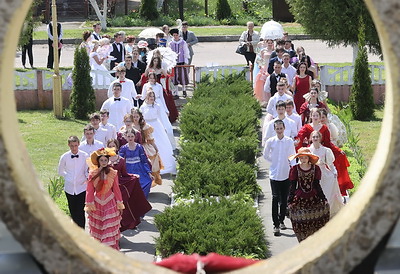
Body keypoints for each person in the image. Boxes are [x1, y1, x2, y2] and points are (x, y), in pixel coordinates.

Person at [295, 108, 354, 196]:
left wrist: (338, 150)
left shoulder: (324, 128)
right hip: (311, 151)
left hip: (322, 152)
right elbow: (300, 139)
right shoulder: (306, 127)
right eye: (313, 115)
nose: (315, 117)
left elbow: (328, 143)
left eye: (317, 116)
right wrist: (300, 151)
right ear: (311, 116)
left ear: (319, 117)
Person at [107, 139, 152, 231]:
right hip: (107, 187)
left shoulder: (121, 160)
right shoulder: (103, 159)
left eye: (113, 146)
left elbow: (125, 174)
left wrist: (133, 176)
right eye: (110, 146)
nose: (112, 148)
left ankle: (121, 225)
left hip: (118, 186)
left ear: (116, 147)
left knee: (122, 205)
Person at [85, 148, 124, 250]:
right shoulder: (92, 173)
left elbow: (116, 189)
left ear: (108, 161)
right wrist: (89, 205)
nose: (103, 162)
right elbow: (89, 190)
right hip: (97, 204)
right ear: (98, 161)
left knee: (108, 228)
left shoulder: (113, 173)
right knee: (98, 230)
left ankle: (109, 250)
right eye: (101, 160)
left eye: (105, 160)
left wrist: (119, 203)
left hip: (110, 204)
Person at [287, 147, 330, 242]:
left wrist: (323, 198)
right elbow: (293, 186)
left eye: (305, 158)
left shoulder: (316, 169)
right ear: (298, 158)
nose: (303, 160)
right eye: (301, 158)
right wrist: (289, 201)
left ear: (309, 158)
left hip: (313, 198)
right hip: (299, 199)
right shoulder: (295, 169)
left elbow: (316, 185)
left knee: (315, 221)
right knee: (300, 221)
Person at [263, 120, 296, 236]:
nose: (279, 130)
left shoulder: (289, 141)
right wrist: (274, 162)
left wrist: (294, 170)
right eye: (277, 129)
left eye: (281, 128)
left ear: (284, 128)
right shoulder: (271, 142)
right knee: (275, 198)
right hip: (274, 174)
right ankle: (275, 224)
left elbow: (293, 156)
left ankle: (281, 220)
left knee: (284, 200)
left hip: (285, 174)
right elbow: (265, 155)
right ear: (274, 129)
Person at [309, 131, 344, 217]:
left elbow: (330, 164)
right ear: (311, 138)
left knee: (325, 194)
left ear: (320, 138)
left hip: (323, 174)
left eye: (317, 137)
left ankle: (325, 213)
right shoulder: (308, 150)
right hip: (312, 175)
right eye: (313, 137)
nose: (315, 139)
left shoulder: (325, 150)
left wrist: (334, 172)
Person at [140, 91, 176, 174]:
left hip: (156, 126)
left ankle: (165, 165)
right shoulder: (143, 107)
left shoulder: (157, 106)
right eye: (150, 96)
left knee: (161, 144)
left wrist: (166, 127)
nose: (152, 98)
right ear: (147, 97)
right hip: (147, 127)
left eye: (153, 96)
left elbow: (162, 117)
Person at [57, 136, 88, 228]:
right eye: (72, 146)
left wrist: (86, 178)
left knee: (80, 211)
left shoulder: (85, 156)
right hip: (69, 188)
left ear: (79, 144)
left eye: (75, 145)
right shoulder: (64, 157)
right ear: (68, 145)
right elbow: (60, 171)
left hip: (81, 188)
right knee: (73, 210)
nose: (74, 148)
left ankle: (82, 231)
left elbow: (87, 170)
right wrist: (68, 177)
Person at [132, 108, 163, 186]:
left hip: (143, 147)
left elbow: (150, 139)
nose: (135, 118)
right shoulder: (129, 126)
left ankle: (146, 184)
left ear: (140, 117)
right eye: (134, 116)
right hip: (133, 148)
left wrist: (155, 147)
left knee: (147, 165)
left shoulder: (144, 126)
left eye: (137, 117)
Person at [119, 128, 154, 198]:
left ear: (135, 137)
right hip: (129, 169)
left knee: (146, 182)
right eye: (128, 136)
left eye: (132, 136)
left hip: (139, 169)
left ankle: (142, 201)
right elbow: (120, 160)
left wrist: (149, 172)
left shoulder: (139, 147)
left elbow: (144, 160)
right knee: (131, 186)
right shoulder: (123, 148)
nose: (130, 138)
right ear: (125, 137)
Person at [169, 28, 190, 98]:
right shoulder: (170, 43)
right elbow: (169, 53)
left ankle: (184, 90)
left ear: (179, 35)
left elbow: (186, 52)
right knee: (174, 78)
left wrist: (186, 61)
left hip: (182, 62)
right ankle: (176, 93)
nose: (175, 36)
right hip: (174, 64)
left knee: (183, 77)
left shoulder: (183, 42)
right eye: (174, 35)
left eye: (176, 35)